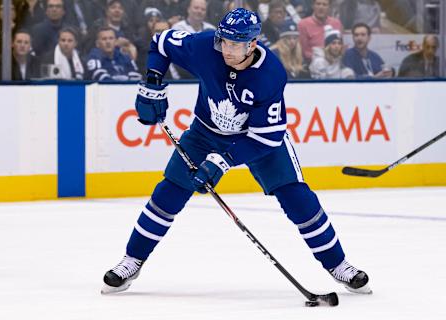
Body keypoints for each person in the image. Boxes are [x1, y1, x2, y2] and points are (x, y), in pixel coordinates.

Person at [101, 8, 371, 296]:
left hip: (257, 139)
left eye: (234, 45)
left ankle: (338, 264)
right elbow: (160, 42)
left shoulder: (270, 74)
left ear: (252, 44)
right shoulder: (205, 46)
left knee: (297, 198)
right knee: (168, 193)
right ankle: (132, 260)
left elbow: (266, 138)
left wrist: (222, 161)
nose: (226, 50)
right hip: (205, 133)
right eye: (223, 42)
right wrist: (153, 82)